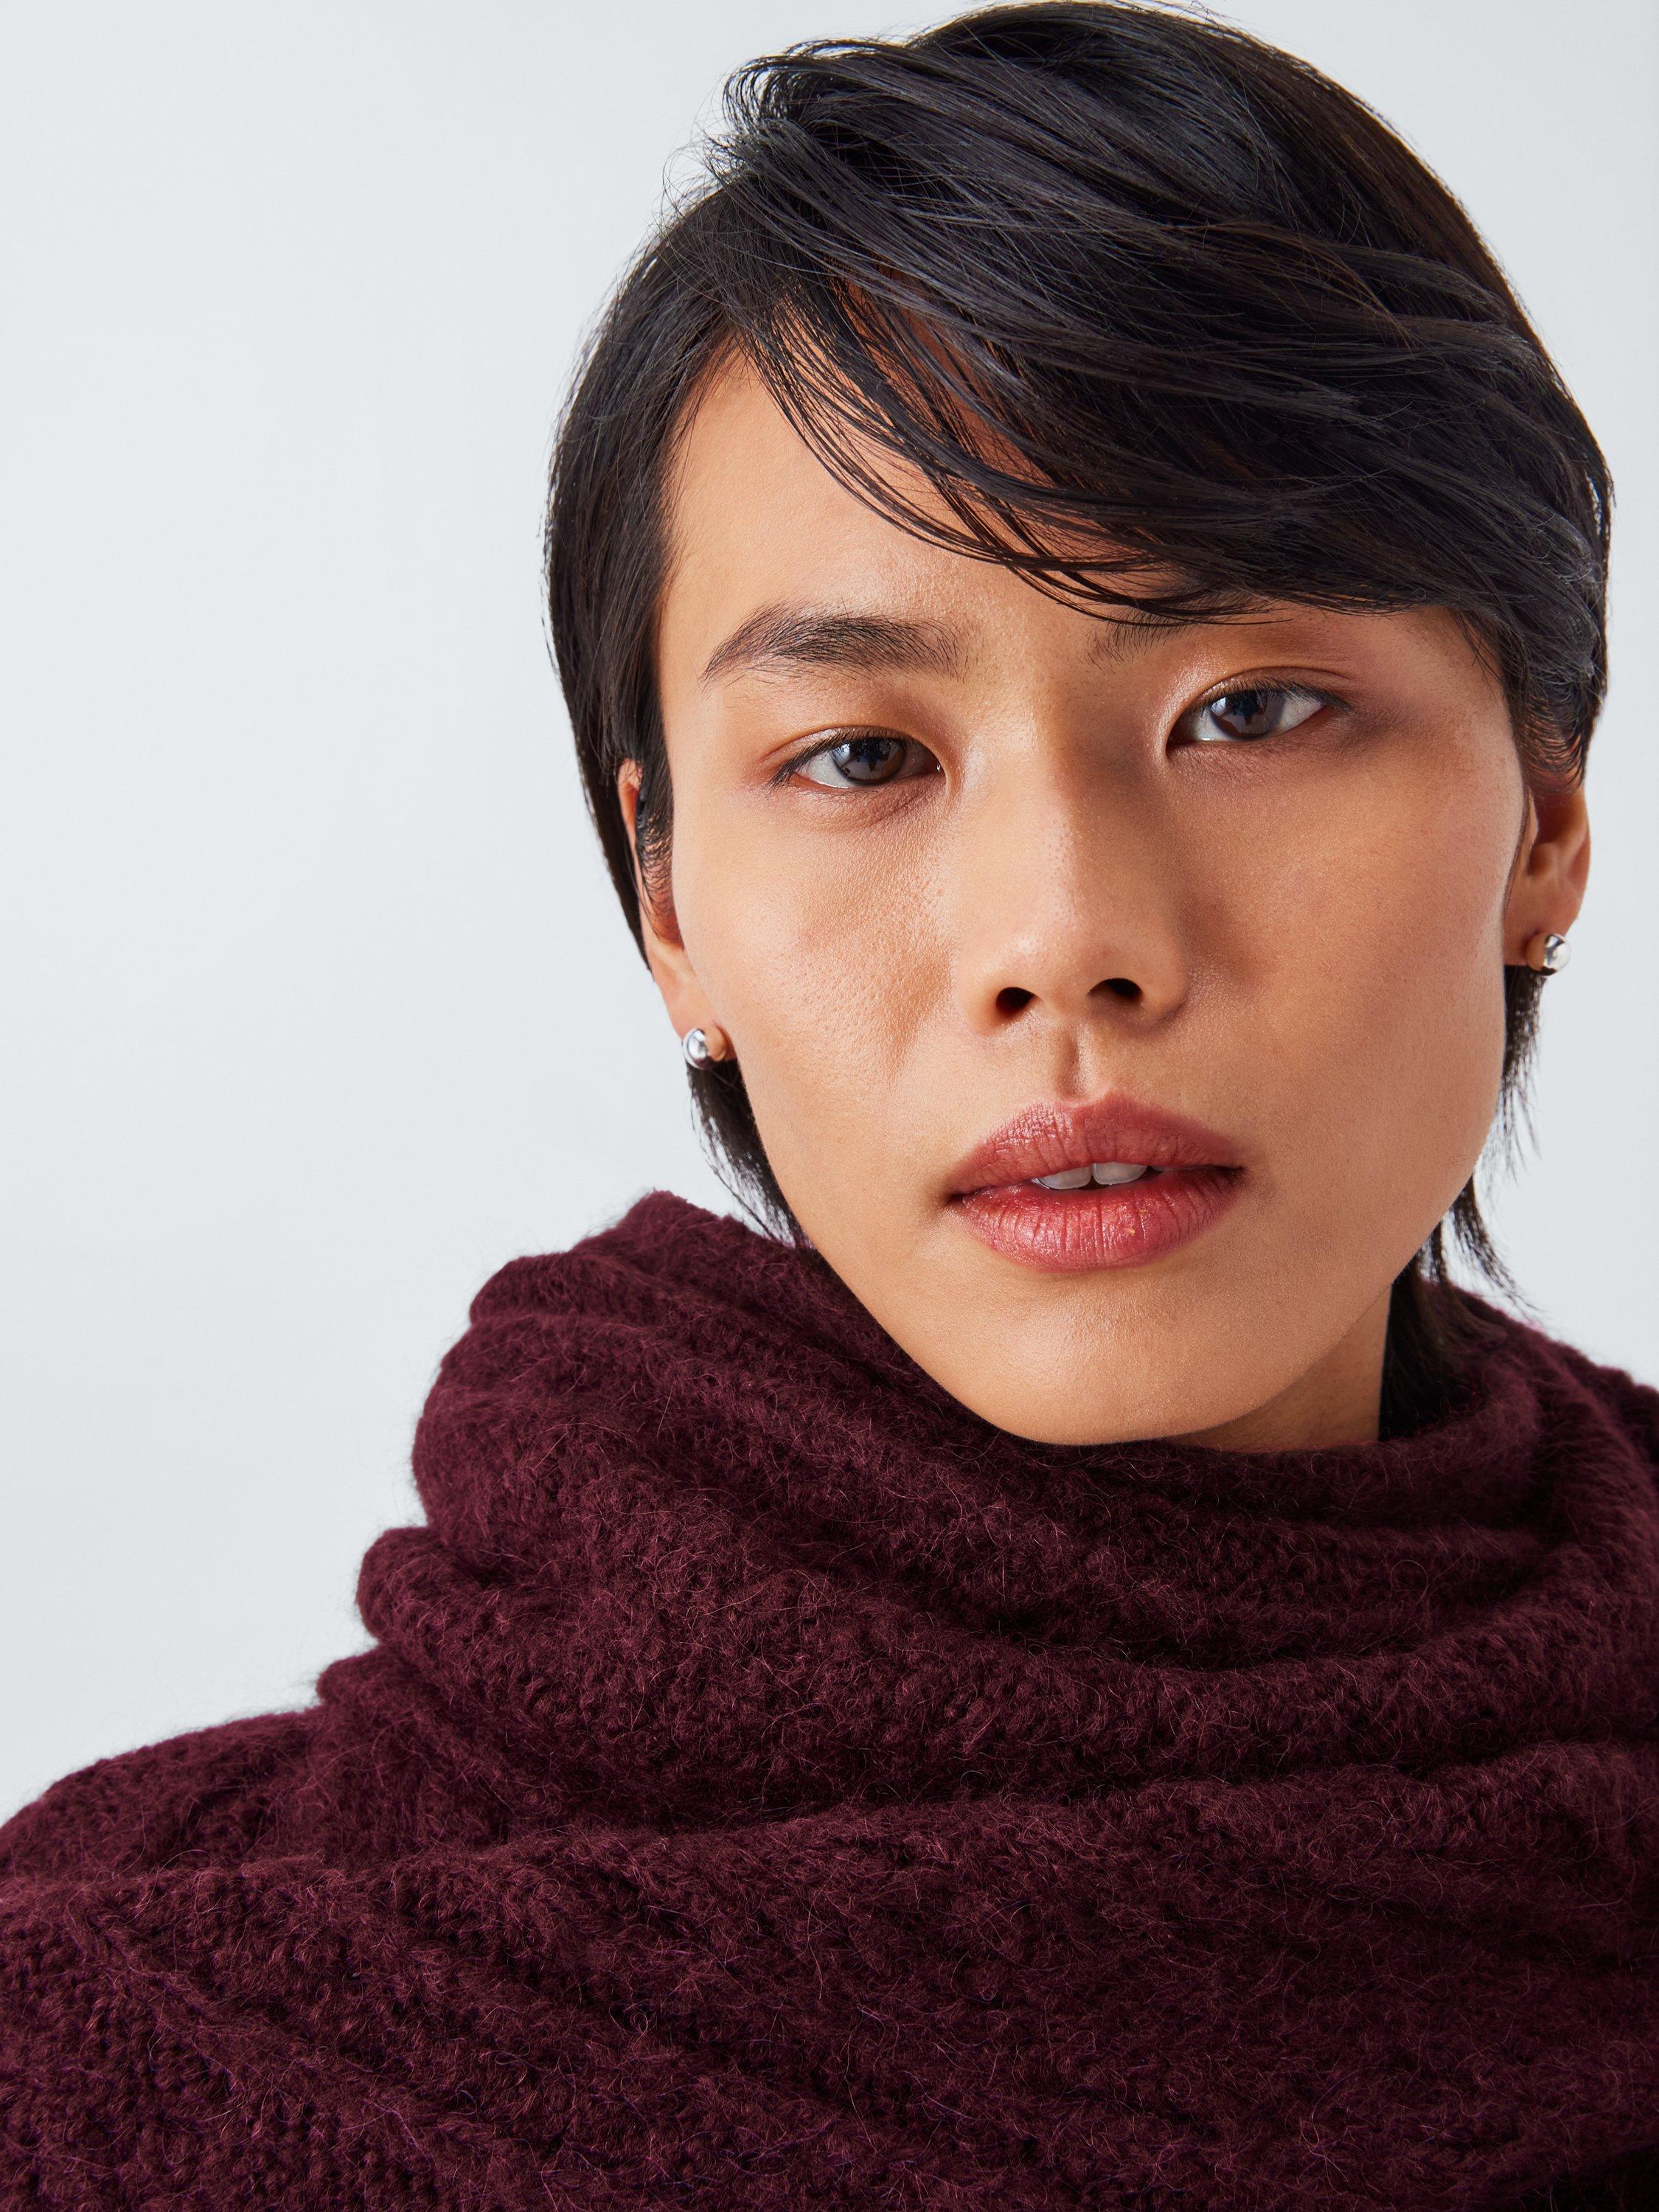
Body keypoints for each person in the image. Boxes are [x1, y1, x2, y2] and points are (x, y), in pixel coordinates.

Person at [2, 5, 1654, 2205]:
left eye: (1251, 709)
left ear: (1544, 819)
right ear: (670, 904)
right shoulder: (123, 2025)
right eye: (862, 758)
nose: (1064, 941)